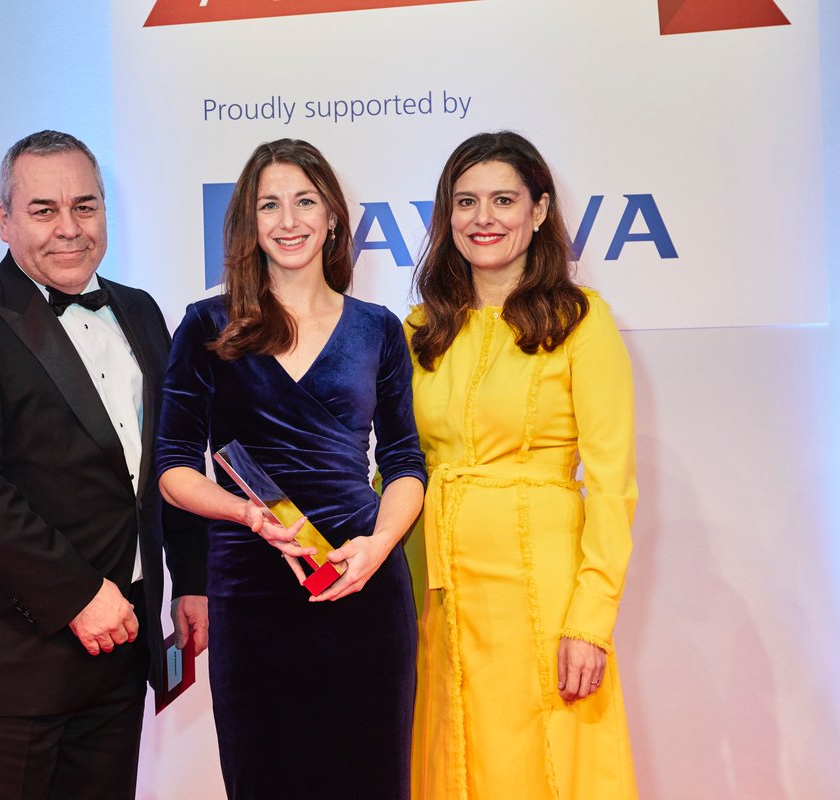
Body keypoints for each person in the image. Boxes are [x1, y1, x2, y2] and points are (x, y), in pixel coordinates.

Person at [0, 130, 208, 800]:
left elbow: (168, 457)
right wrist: (77, 595)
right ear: (4, 218)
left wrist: (191, 577)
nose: (69, 229)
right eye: (44, 210)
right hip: (15, 654)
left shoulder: (140, 310)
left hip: (122, 646)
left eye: (86, 207)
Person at [155, 139, 426, 800]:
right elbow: (171, 465)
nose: (288, 219)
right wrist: (245, 512)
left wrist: (379, 546)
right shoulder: (206, 325)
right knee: (265, 777)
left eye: (305, 201)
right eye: (269, 204)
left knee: (368, 778)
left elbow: (403, 460)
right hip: (252, 587)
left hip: (362, 582)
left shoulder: (378, 329)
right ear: (249, 223)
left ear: (333, 215)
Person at [405, 131, 639, 799]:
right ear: (447, 217)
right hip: (440, 599)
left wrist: (590, 622)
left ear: (539, 211)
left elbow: (614, 484)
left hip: (544, 597)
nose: (484, 219)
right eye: (466, 201)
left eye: (503, 200)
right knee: (451, 763)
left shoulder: (582, 320)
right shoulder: (419, 330)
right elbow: (397, 471)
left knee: (546, 771)